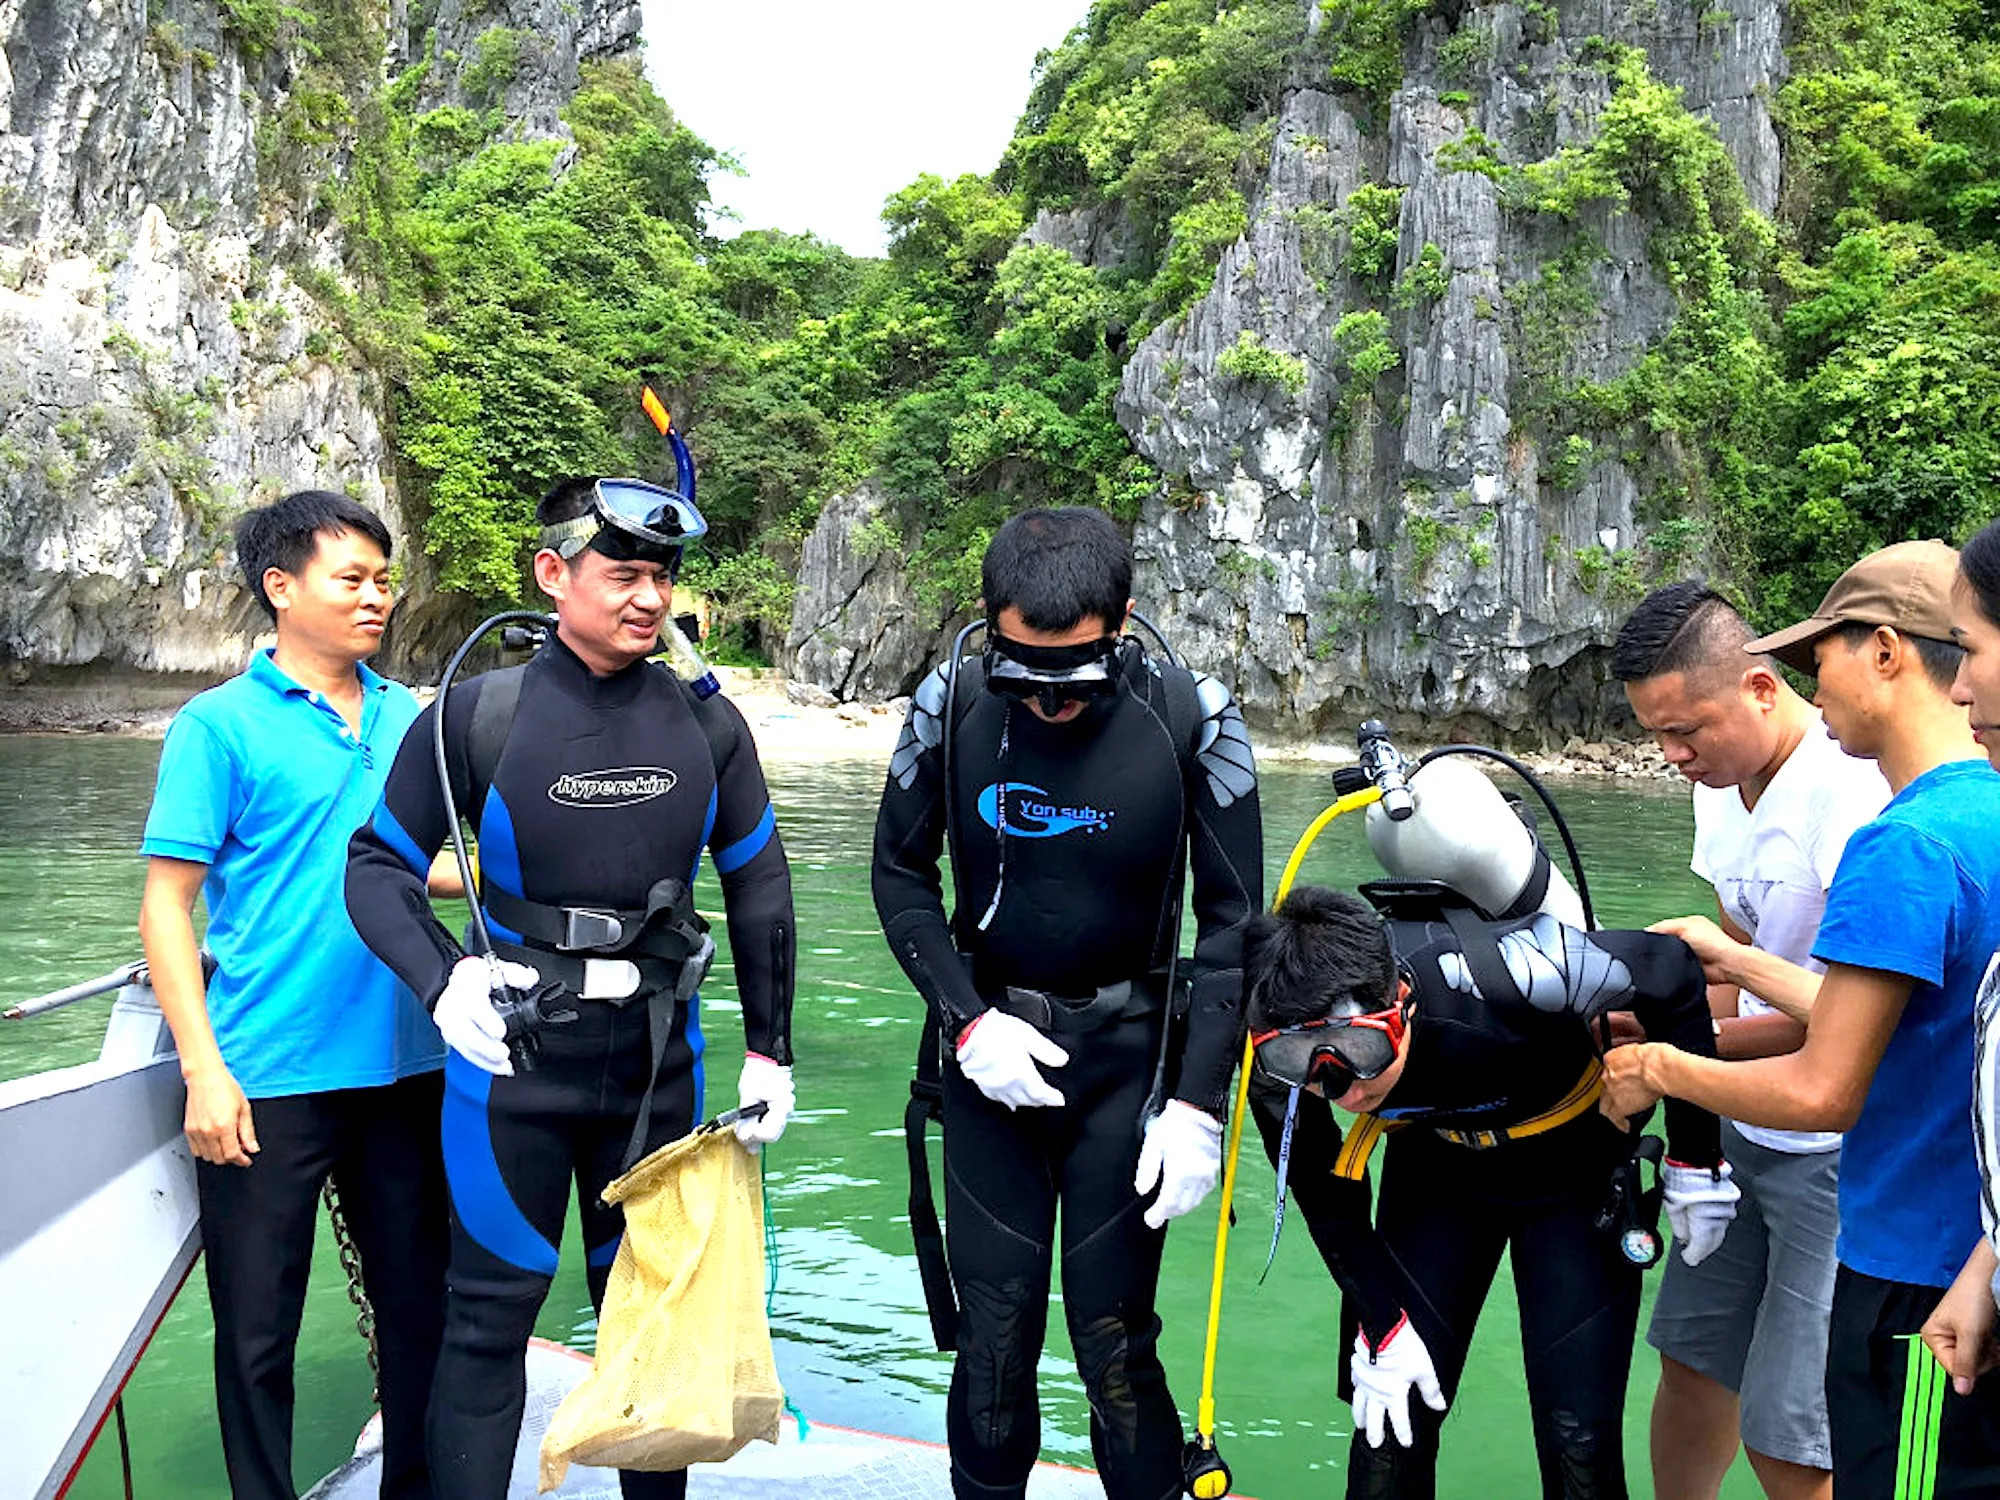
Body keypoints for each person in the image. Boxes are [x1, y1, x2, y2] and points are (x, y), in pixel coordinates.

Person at [345, 476, 798, 1500]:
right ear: (553, 575)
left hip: (654, 1072)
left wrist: (770, 1051)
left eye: (662, 579)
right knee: (486, 1316)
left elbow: (759, 882)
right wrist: (442, 978)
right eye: (622, 574)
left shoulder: (708, 728)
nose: (648, 599)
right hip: (511, 1067)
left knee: (653, 1322)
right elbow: (374, 865)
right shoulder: (476, 715)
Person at [872, 507, 1263, 1500]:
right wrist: (967, 1022)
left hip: (1128, 1071)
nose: (1046, 702)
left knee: (1113, 1346)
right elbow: (899, 877)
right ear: (987, 625)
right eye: (1024, 673)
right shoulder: (947, 700)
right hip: (988, 1057)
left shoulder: (1192, 713)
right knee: (993, 1346)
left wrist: (1196, 1104)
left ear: (1122, 623)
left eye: (1073, 675)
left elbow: (1229, 925)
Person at [1602, 539, 2000, 1496]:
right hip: (1964, 1245)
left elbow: (1827, 1080)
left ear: (1888, 653)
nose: (1813, 681)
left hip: (1902, 1240)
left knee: (1843, 1452)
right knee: (1701, 1368)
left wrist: (1661, 1067)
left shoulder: (1894, 838)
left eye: (1821, 656)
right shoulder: (1975, 814)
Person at [138, 491, 449, 1500]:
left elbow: (420, 866)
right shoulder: (216, 728)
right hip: (265, 1073)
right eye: (351, 578)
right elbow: (167, 908)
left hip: (410, 1065)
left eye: (382, 580)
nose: (377, 599)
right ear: (281, 586)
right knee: (257, 1334)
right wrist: (203, 1070)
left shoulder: (412, 718)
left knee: (419, 1317)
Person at [1244, 881, 1729, 1500]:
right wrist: (1379, 1323)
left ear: (1400, 1002)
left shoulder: (1516, 969)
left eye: (1362, 1052)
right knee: (1391, 1425)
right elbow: (1327, 1198)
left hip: (1571, 1174)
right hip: (1436, 1175)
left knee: (1577, 1435)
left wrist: (1696, 1155)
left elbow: (1673, 971)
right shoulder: (1276, 1054)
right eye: (1299, 1065)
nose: (1344, 1091)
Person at [1613, 582, 1888, 1500]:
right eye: (1656, 734)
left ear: (1763, 689)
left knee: (1790, 1428)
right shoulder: (1721, 786)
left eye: (1687, 728)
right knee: (1692, 1366)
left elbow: (1855, 1020)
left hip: (1837, 1145)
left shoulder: (1850, 795)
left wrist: (1680, 1060)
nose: (1673, 754)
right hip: (1739, 1131)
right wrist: (1654, 1018)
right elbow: (1740, 950)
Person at [1921, 520, 2000, 1397]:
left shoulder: (1912, 841)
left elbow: (1829, 1083)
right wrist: (1987, 1264)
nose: (1962, 685)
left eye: (1971, 650)